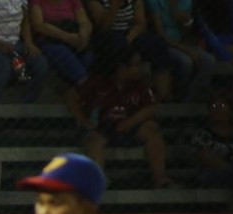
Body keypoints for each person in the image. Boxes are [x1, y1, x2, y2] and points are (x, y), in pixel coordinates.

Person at [72, 48, 178, 188]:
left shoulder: (140, 84)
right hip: (102, 127)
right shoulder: (98, 81)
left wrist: (131, 121)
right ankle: (98, 182)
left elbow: (151, 107)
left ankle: (160, 178)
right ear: (121, 68)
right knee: (93, 140)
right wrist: (82, 119)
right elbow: (71, 96)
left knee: (152, 129)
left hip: (130, 126)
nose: (139, 69)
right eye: (135, 65)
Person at [85, 0, 177, 100]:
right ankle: (117, 96)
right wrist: (115, 5)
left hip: (131, 34)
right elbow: (104, 27)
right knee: (118, 43)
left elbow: (141, 24)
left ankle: (163, 95)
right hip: (106, 36)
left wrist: (129, 38)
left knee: (157, 43)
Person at [147, 0, 215, 98]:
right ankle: (178, 97)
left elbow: (185, 34)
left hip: (182, 43)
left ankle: (192, 98)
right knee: (186, 62)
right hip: (163, 45)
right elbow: (160, 35)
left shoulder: (186, 2)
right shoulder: (155, 2)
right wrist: (186, 50)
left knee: (209, 60)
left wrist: (186, 20)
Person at [30, 0, 95, 92]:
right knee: (60, 52)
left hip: (74, 36)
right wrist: (67, 37)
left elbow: (84, 20)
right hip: (50, 39)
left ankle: (76, 90)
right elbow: (39, 25)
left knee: (87, 55)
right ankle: (85, 85)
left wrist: (83, 35)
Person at [188, 94, 233, 187]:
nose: (217, 109)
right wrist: (230, 169)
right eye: (214, 106)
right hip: (213, 172)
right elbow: (205, 157)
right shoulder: (202, 134)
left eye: (222, 106)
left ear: (230, 110)